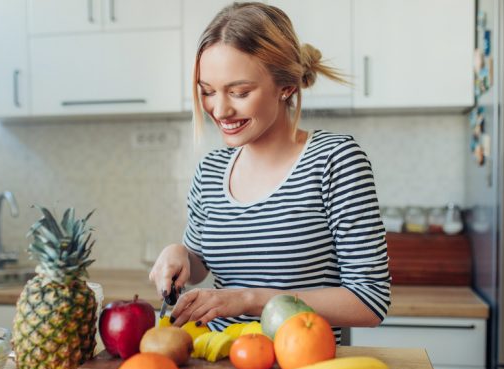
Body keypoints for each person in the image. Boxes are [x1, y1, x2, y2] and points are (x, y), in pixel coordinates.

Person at [149, 2, 390, 344]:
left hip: (303, 368)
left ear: (286, 86)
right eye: (207, 91)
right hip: (219, 361)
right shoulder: (210, 170)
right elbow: (199, 267)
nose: (220, 109)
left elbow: (370, 301)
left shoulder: (335, 160)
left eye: (240, 92)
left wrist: (250, 300)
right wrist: (178, 253)